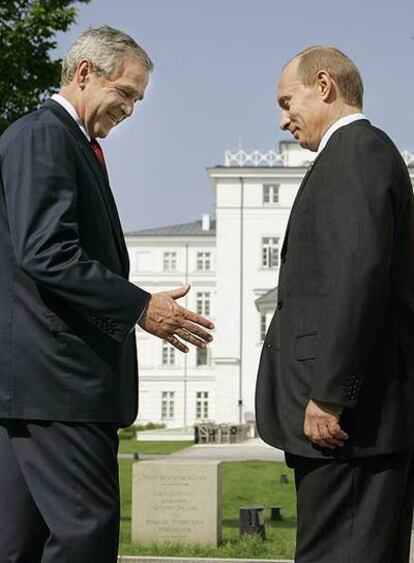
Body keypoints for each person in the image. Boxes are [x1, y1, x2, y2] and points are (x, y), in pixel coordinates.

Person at [0, 26, 214, 563]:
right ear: (84, 73)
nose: (131, 109)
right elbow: (47, 252)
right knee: (85, 534)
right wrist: (140, 305)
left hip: (36, 386)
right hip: (59, 385)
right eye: (125, 93)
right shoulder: (45, 136)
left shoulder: (59, 140)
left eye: (138, 99)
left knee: (18, 542)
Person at [256, 46, 414, 562]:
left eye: (287, 101)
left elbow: (357, 277)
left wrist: (330, 392)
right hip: (349, 422)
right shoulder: (350, 155)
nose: (283, 120)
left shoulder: (357, 152)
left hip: (349, 423)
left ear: (324, 86)